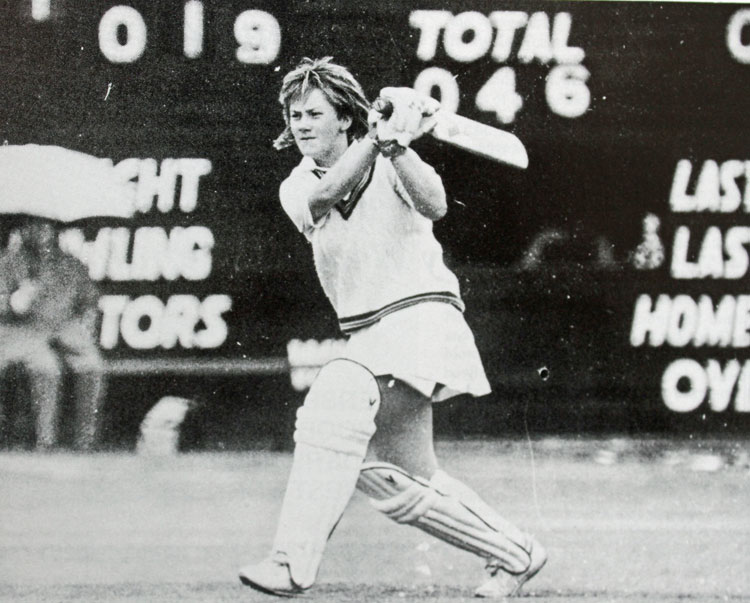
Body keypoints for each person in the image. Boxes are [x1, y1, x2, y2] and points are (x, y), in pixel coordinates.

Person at [239, 57, 546, 598]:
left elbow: (436, 203)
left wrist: (397, 145)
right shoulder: (296, 185)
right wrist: (378, 138)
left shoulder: (389, 158)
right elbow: (322, 198)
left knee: (335, 400)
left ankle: (290, 562)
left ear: (344, 118)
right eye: (294, 115)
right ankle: (515, 553)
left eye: (314, 113)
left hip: (423, 314)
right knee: (400, 478)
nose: (302, 124)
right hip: (372, 332)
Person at [0, 218, 104, 450]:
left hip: (63, 328)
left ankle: (85, 440)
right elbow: (4, 307)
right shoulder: (8, 262)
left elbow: (89, 300)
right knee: (46, 368)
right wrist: (21, 296)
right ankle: (45, 441)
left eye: (46, 227)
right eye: (34, 227)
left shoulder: (70, 264)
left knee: (91, 366)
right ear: (23, 231)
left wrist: (87, 321)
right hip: (21, 331)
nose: (41, 233)